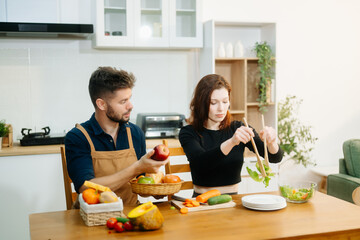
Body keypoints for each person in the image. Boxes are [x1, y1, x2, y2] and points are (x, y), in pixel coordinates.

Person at [65, 67, 168, 206]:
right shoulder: (78, 137)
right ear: (101, 104)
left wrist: (156, 188)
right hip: (93, 219)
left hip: (130, 215)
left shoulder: (135, 133)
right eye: (123, 101)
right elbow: (85, 188)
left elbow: (140, 183)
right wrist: (138, 167)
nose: (131, 106)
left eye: (129, 99)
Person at [179, 74, 284, 197]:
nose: (221, 108)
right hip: (201, 203)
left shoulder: (238, 127)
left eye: (225, 102)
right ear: (201, 103)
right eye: (213, 103)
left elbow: (275, 158)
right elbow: (201, 164)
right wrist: (232, 142)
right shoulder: (188, 132)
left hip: (233, 201)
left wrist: (271, 142)